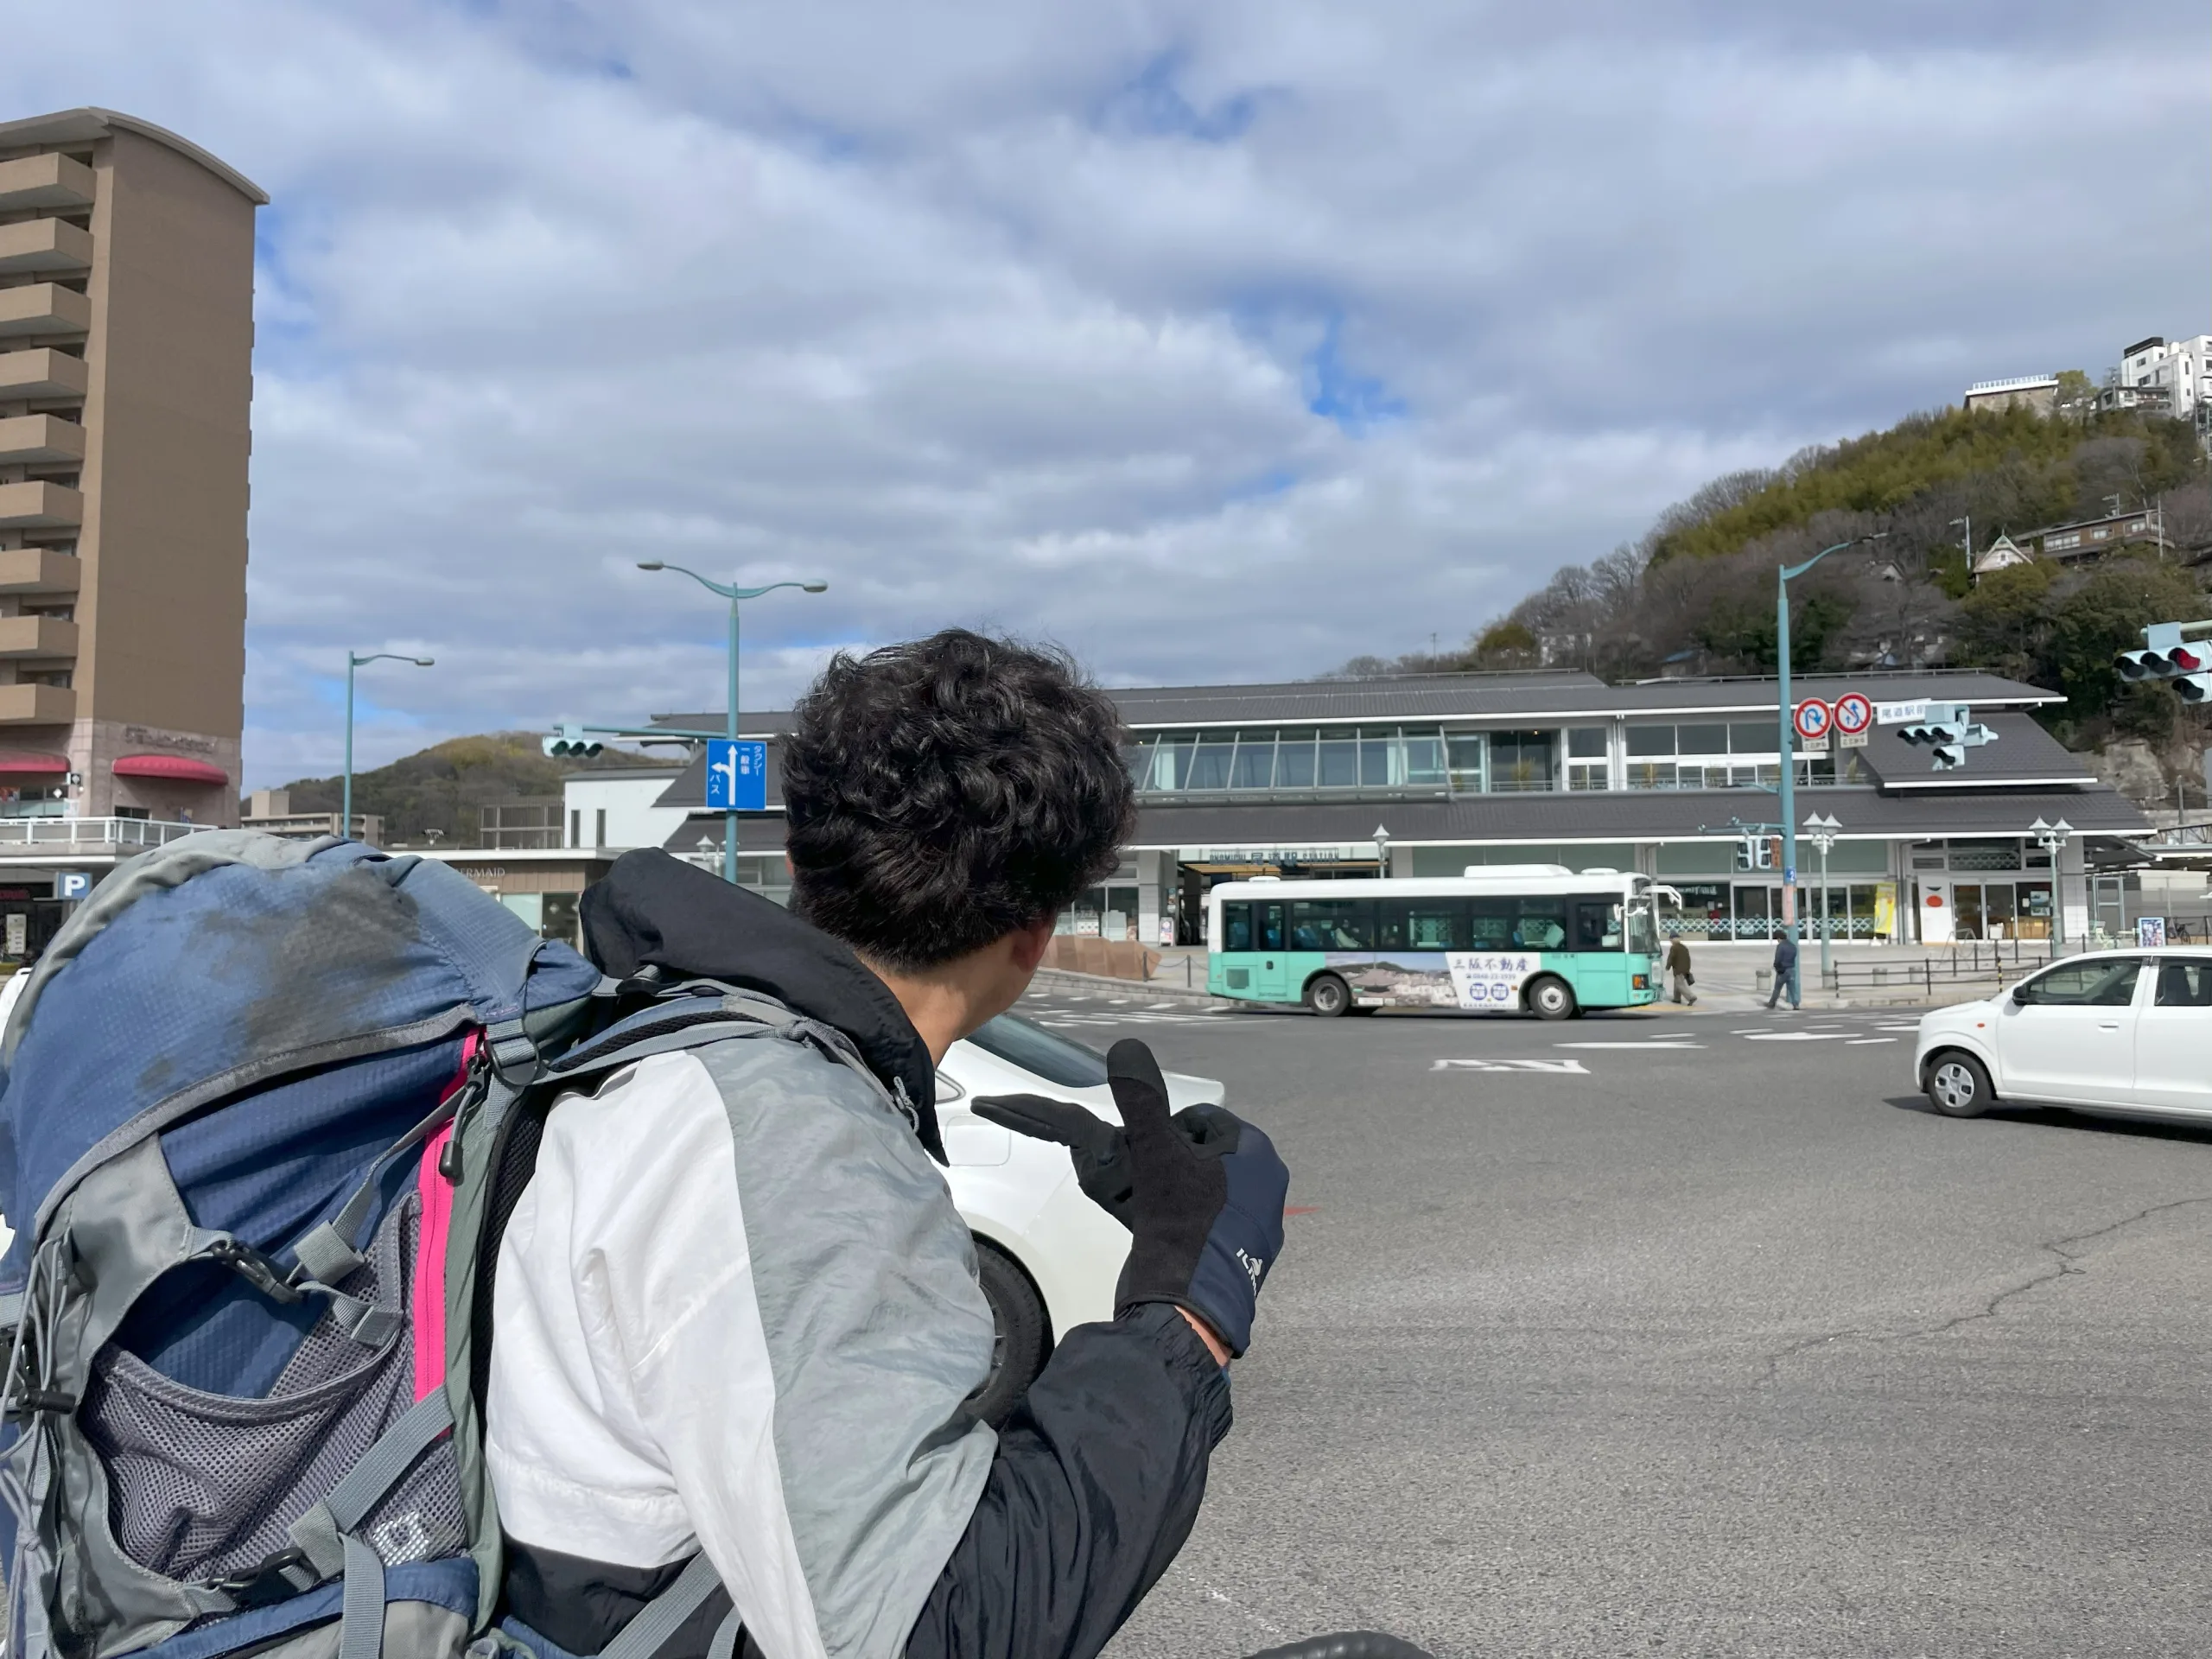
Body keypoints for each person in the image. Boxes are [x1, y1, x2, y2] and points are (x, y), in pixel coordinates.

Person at [486, 629, 1290, 1659]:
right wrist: (1190, 1309)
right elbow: (937, 1631)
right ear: (1037, 931)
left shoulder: (674, 1049)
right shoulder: (794, 1137)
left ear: (796, 866)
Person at [1766, 929, 1800, 1010]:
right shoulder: (1793, 946)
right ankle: (1796, 1004)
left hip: (1782, 970)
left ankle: (1772, 1003)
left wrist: (1776, 967)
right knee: (1792, 988)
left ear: (1779, 938)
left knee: (1777, 988)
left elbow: (1778, 959)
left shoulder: (1781, 946)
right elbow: (1794, 955)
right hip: (1791, 969)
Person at [1664, 936, 1696, 1006]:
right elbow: (1688, 959)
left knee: (1680, 985)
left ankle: (1691, 997)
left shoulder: (1674, 947)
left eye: (1671, 939)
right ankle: (1677, 999)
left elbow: (1671, 958)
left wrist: (1667, 967)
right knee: (1677, 983)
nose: (1670, 941)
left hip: (1678, 970)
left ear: (1673, 939)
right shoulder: (1684, 947)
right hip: (1685, 969)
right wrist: (1687, 969)